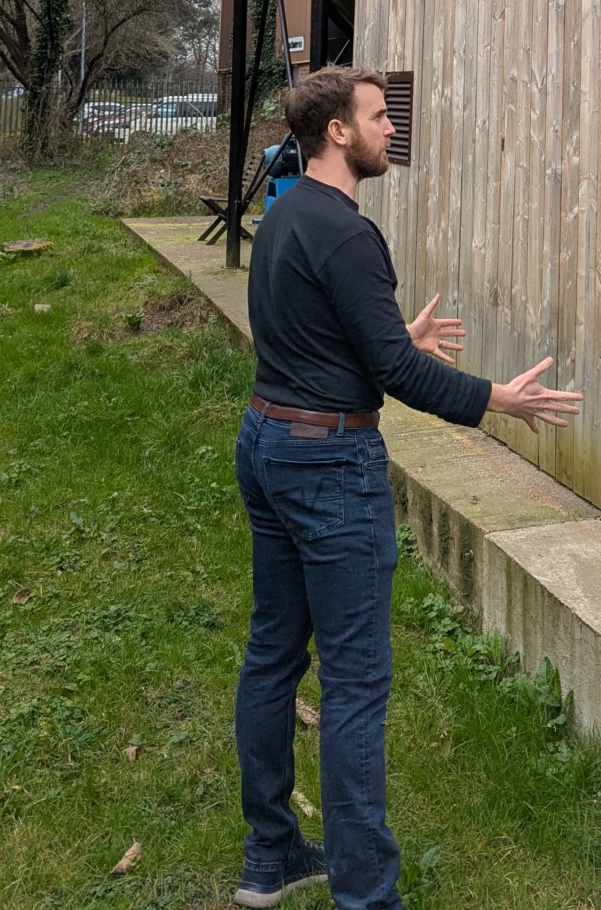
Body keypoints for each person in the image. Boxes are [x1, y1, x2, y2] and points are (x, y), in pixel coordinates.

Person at [233, 66, 582, 909]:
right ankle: (366, 895)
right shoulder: (350, 235)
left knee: (273, 652)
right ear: (338, 131)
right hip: (328, 467)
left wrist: (391, 333)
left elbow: (309, 333)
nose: (391, 127)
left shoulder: (284, 216)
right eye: (377, 115)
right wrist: (497, 397)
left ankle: (269, 857)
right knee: (354, 685)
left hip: (267, 441)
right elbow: (396, 372)